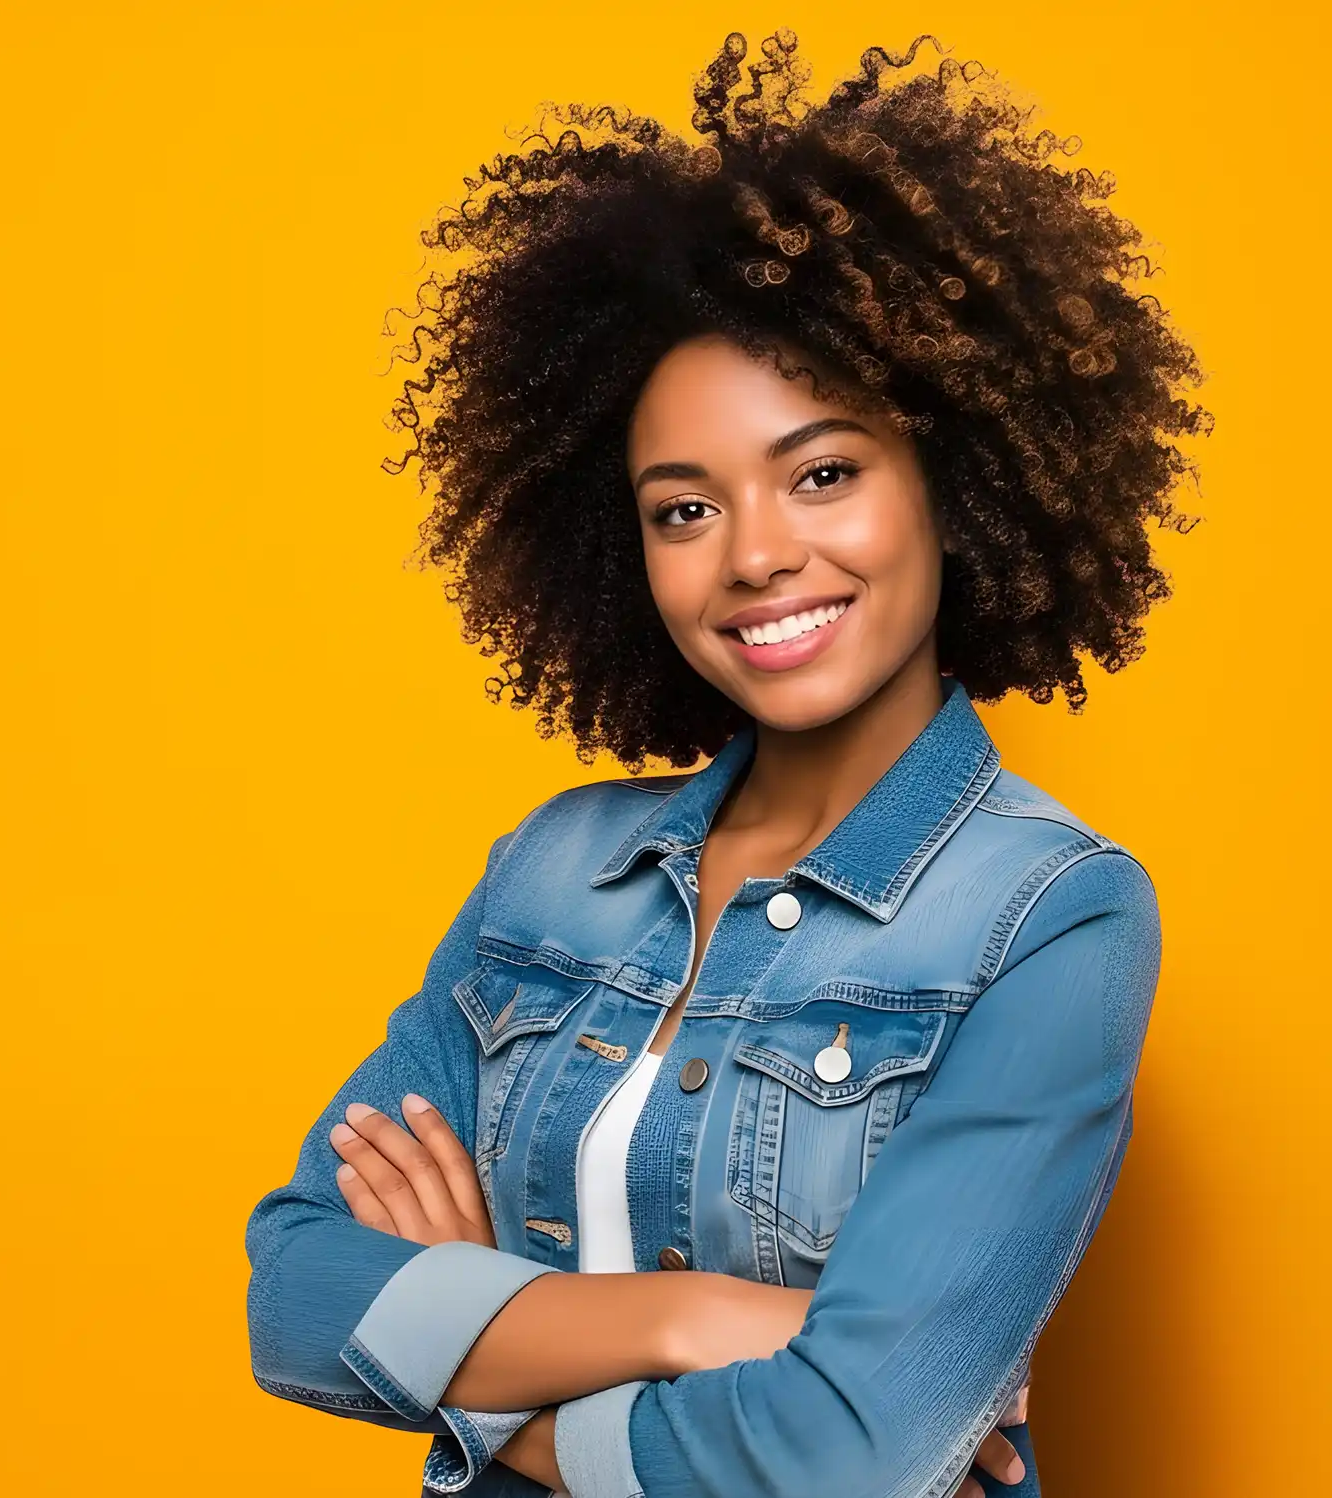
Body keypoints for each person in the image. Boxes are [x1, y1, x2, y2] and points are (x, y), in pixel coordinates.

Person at [245, 29, 1208, 1498]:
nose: (757, 554)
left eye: (823, 472)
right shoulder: (555, 872)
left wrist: (480, 1363)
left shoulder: (1052, 917)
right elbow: (297, 1293)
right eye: (683, 509)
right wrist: (696, 1318)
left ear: (949, 486)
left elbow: (846, 1456)